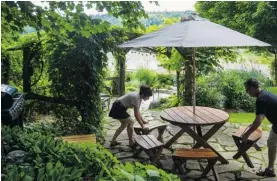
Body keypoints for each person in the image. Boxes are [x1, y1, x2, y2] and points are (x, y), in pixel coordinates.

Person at [242, 78, 277, 177]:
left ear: (253, 88)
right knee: (271, 143)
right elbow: (263, 114)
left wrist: (246, 134)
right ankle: (270, 170)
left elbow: (258, 121)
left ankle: (270, 169)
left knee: (272, 143)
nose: (247, 92)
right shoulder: (264, 94)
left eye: (247, 89)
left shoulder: (261, 99)